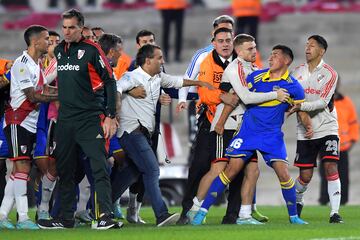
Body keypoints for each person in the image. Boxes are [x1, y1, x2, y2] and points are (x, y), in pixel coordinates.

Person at [191, 45, 312, 225]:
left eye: (275, 56)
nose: (270, 58)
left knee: (283, 174)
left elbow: (300, 109)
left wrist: (308, 125)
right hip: (248, 132)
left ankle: (294, 217)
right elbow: (236, 99)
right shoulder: (255, 77)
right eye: (270, 55)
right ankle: (201, 212)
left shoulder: (294, 86)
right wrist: (221, 121)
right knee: (230, 171)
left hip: (271, 136)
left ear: (286, 61)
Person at [37, 9, 120, 230]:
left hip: (89, 118)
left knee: (99, 166)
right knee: (65, 170)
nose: (66, 31)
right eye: (64, 27)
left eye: (71, 27)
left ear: (81, 28)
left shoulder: (92, 50)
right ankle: (65, 218)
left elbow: (110, 82)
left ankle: (104, 216)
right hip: (65, 121)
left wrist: (110, 115)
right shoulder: (60, 52)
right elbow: (48, 81)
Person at [114, 44, 213, 227]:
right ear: (148, 60)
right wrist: (120, 102)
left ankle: (100, 204)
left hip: (143, 134)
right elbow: (117, 87)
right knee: (152, 170)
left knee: (132, 172)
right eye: (159, 58)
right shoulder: (131, 77)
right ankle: (161, 214)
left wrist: (199, 83)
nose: (163, 61)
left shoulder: (158, 77)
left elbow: (178, 81)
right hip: (131, 132)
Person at [0, 25, 58, 230]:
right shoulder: (22, 64)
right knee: (22, 166)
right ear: (35, 42)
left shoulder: (37, 64)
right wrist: (63, 96)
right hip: (18, 120)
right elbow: (33, 96)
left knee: (18, 171)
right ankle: (23, 217)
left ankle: (2, 215)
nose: (49, 42)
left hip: (30, 122)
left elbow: (45, 89)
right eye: (46, 39)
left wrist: (63, 91)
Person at [290, 35, 343, 224]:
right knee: (305, 175)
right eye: (306, 45)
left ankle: (334, 212)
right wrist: (302, 116)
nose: (307, 48)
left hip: (328, 127)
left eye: (312, 46)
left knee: (330, 166)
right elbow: (291, 100)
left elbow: (322, 102)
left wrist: (301, 107)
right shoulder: (296, 73)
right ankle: (298, 201)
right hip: (304, 130)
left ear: (322, 51)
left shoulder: (330, 73)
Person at [319, 78, 358, 205]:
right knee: (325, 174)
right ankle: (324, 200)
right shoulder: (321, 100)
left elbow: (353, 123)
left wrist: (352, 140)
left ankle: (343, 201)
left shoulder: (346, 101)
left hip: (342, 147)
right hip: (326, 145)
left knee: (343, 175)